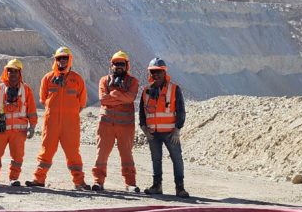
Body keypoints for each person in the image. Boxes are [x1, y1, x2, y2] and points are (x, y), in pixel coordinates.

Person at [28, 47, 90, 190]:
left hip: (70, 124)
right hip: (51, 123)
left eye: (65, 58)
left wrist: (69, 114)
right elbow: (43, 99)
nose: (62, 61)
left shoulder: (77, 79)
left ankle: (79, 182)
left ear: (69, 60)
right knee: (46, 150)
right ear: (55, 60)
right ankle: (38, 179)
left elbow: (82, 103)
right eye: (59, 58)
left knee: (73, 153)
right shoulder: (48, 78)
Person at [0, 58, 37, 187]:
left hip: (19, 131)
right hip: (1, 129)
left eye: (15, 71)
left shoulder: (26, 90)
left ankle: (14, 178)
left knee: (17, 156)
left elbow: (32, 110)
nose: (12, 74)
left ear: (20, 73)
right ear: (6, 72)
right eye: (10, 71)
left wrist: (32, 126)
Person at [139, 57, 189, 198]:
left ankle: (180, 188)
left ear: (164, 72)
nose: (156, 75)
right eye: (153, 72)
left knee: (177, 159)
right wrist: (144, 129)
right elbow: (142, 112)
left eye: (159, 72)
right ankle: (157, 186)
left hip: (170, 133)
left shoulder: (174, 89)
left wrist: (177, 130)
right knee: (156, 160)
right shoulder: (146, 91)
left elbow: (181, 110)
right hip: (153, 133)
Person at [92, 51, 141, 191]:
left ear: (126, 66)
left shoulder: (133, 81)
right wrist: (121, 97)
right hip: (106, 124)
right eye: (116, 63)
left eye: (121, 64)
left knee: (127, 155)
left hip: (125, 126)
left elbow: (130, 98)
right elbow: (103, 99)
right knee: (101, 154)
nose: (119, 66)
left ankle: (130, 183)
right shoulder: (104, 80)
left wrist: (113, 94)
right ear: (111, 65)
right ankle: (98, 181)